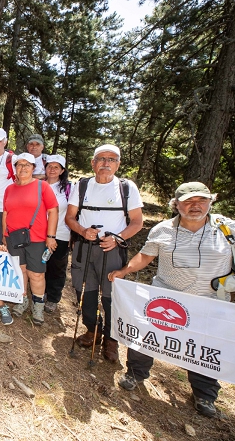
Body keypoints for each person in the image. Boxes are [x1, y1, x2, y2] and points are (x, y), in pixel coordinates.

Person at [109, 182, 229, 418]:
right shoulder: (162, 230)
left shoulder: (227, 229)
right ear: (176, 205)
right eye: (188, 202)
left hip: (209, 301)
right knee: (148, 337)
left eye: (201, 201)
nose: (195, 206)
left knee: (204, 349)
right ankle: (135, 373)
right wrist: (124, 271)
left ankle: (204, 394)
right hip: (165, 297)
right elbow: (145, 256)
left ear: (210, 202)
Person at [65, 144, 143, 362]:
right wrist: (82, 230)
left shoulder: (127, 188)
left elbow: (137, 222)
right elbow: (70, 217)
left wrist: (118, 238)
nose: (106, 163)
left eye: (111, 159)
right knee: (84, 292)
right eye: (101, 159)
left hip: (112, 250)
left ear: (118, 164)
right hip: (83, 248)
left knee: (110, 296)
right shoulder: (82, 186)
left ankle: (111, 339)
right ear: (93, 163)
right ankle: (94, 330)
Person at [2, 153, 58, 325]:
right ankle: (22, 299)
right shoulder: (9, 189)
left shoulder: (43, 187)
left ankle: (38, 305)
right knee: (21, 271)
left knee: (37, 273)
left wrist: (51, 236)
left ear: (34, 168)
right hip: (14, 237)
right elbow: (5, 212)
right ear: (15, 168)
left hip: (37, 238)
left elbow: (53, 211)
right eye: (19, 164)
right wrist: (5, 235)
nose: (23, 168)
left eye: (27, 165)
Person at [43, 155, 72, 313]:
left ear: (62, 170)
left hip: (61, 233)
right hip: (40, 233)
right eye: (49, 166)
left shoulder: (69, 188)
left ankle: (53, 298)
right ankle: (41, 293)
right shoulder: (40, 185)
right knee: (42, 264)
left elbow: (74, 212)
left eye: (56, 167)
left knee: (57, 266)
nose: (52, 170)